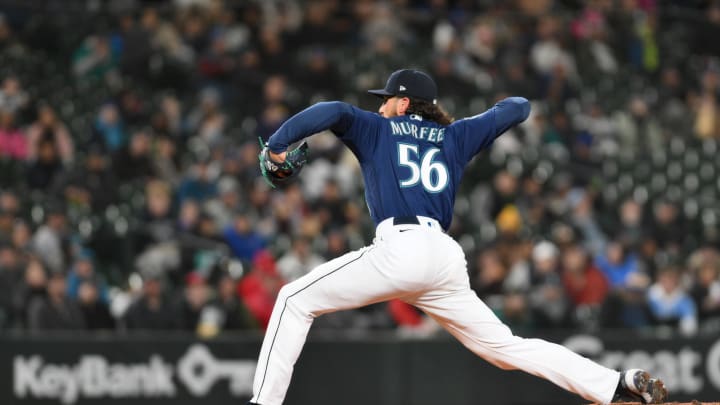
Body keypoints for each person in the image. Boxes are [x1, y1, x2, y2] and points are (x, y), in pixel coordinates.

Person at [247, 69, 667, 405]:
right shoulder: (455, 136)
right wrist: (461, 120)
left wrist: (280, 144)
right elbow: (517, 107)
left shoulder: (375, 128)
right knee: (506, 348)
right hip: (445, 259)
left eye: (388, 98)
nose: (383, 105)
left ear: (404, 101)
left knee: (293, 300)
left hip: (402, 247)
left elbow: (333, 109)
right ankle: (616, 384)